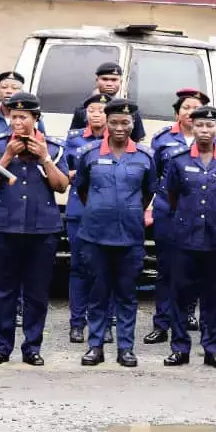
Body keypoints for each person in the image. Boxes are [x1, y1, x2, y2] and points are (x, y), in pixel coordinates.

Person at [0, 92, 69, 366]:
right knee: (3, 291)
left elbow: (61, 185)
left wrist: (44, 158)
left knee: (36, 293)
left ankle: (32, 347)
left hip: (41, 230)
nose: (17, 122)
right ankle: (1, 346)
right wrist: (7, 155)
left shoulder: (54, 148)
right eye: (13, 116)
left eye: (23, 117)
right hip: (3, 227)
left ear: (36, 119)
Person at [73, 98, 156, 367]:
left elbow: (148, 192)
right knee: (98, 292)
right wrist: (102, 209)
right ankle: (95, 346)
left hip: (130, 236)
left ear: (133, 124)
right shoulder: (89, 153)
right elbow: (83, 190)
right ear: (106, 123)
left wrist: (128, 211)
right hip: (95, 234)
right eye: (114, 122)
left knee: (126, 294)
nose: (120, 127)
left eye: (125, 122)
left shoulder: (145, 157)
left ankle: (125, 348)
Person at [161, 105, 216, 369]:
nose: (205, 131)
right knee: (180, 296)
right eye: (200, 126)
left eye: (210, 125)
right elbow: (172, 196)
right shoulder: (179, 159)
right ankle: (180, 348)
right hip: (185, 237)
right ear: (191, 127)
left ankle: (212, 348)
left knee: (214, 297)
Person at [145, 88, 216, 344]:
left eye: (196, 108)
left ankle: (189, 314)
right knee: (167, 270)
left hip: (205, 215)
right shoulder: (163, 139)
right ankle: (162, 322)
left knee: (199, 270)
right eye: (187, 107)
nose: (191, 112)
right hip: (169, 212)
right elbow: (154, 176)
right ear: (178, 113)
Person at [64, 93, 114, 346]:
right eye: (91, 110)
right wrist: (72, 174)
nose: (96, 114)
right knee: (80, 268)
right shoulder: (74, 141)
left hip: (109, 213)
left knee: (107, 270)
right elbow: (62, 171)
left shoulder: (118, 142)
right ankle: (77, 323)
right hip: (79, 211)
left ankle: (104, 324)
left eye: (101, 110)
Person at [69, 63, 145, 142]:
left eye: (114, 80)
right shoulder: (83, 109)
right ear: (97, 80)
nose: (109, 84)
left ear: (121, 82)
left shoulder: (130, 110)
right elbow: (74, 139)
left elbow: (136, 141)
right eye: (105, 79)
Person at [0, 71, 46, 138]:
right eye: (4, 87)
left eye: (14, 88)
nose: (9, 91)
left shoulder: (35, 121)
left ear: (22, 92)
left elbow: (42, 143)